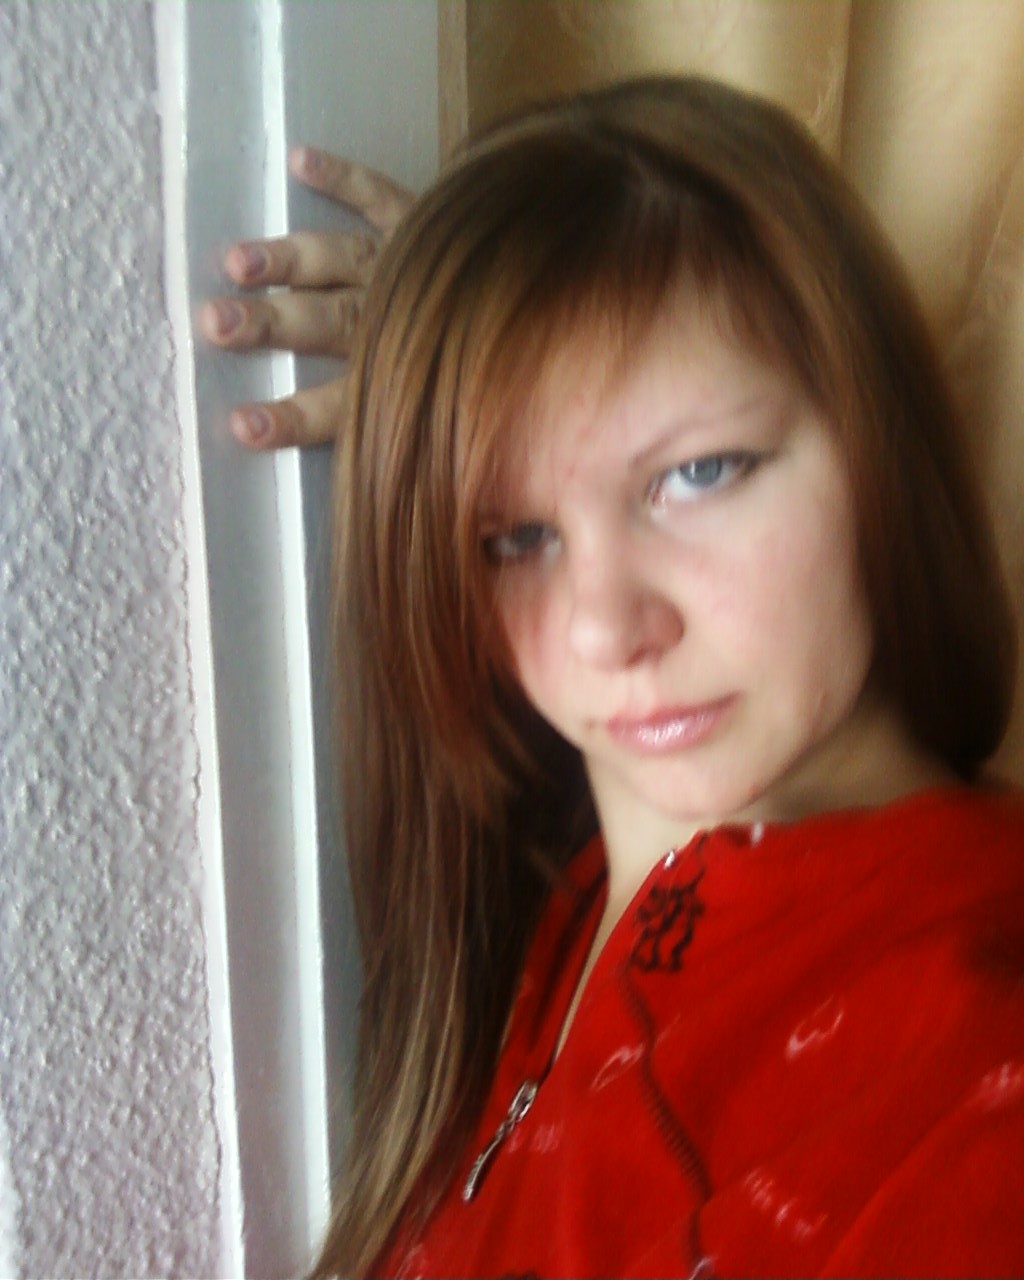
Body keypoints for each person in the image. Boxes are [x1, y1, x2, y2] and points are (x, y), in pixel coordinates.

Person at [204, 77, 1024, 1278]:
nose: (604, 628)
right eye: (512, 537)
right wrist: (469, 365)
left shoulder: (972, 1085)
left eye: (700, 472)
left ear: (877, 438)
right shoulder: (529, 906)